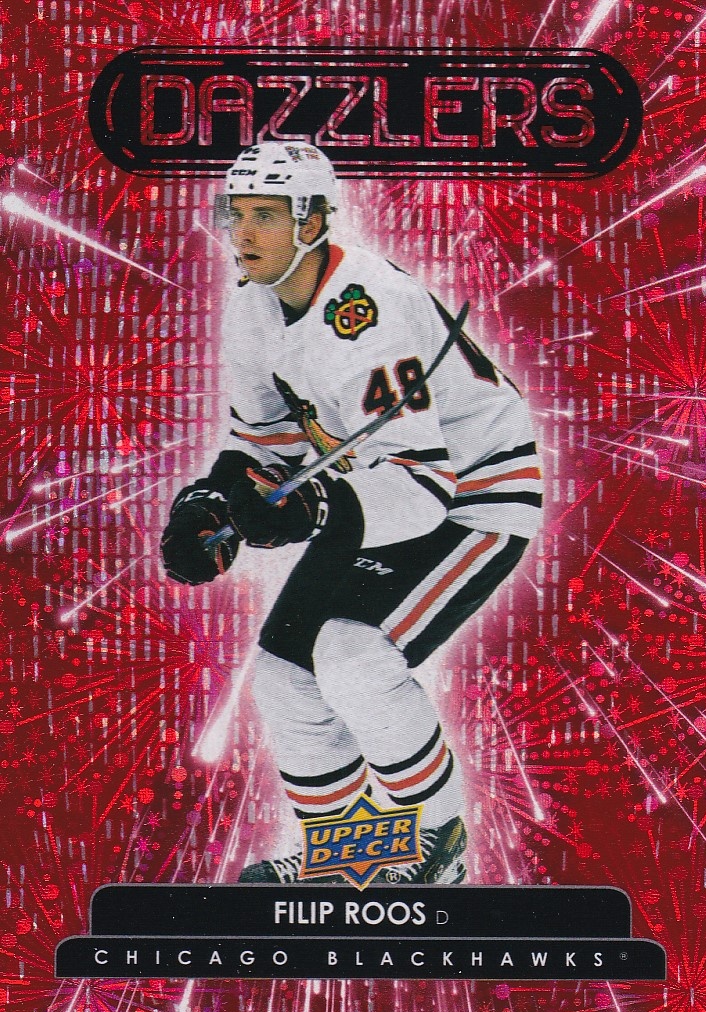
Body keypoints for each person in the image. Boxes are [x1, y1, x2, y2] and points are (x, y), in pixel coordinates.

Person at [161, 142, 542, 885]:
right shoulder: (253, 303)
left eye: (266, 215)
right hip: (376, 491)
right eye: (237, 213)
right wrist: (211, 503)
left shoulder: (368, 310)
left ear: (314, 221)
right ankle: (348, 856)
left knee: (352, 655)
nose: (243, 232)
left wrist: (305, 510)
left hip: (475, 493)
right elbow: (264, 442)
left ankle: (436, 848)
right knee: (283, 672)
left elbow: (423, 490)